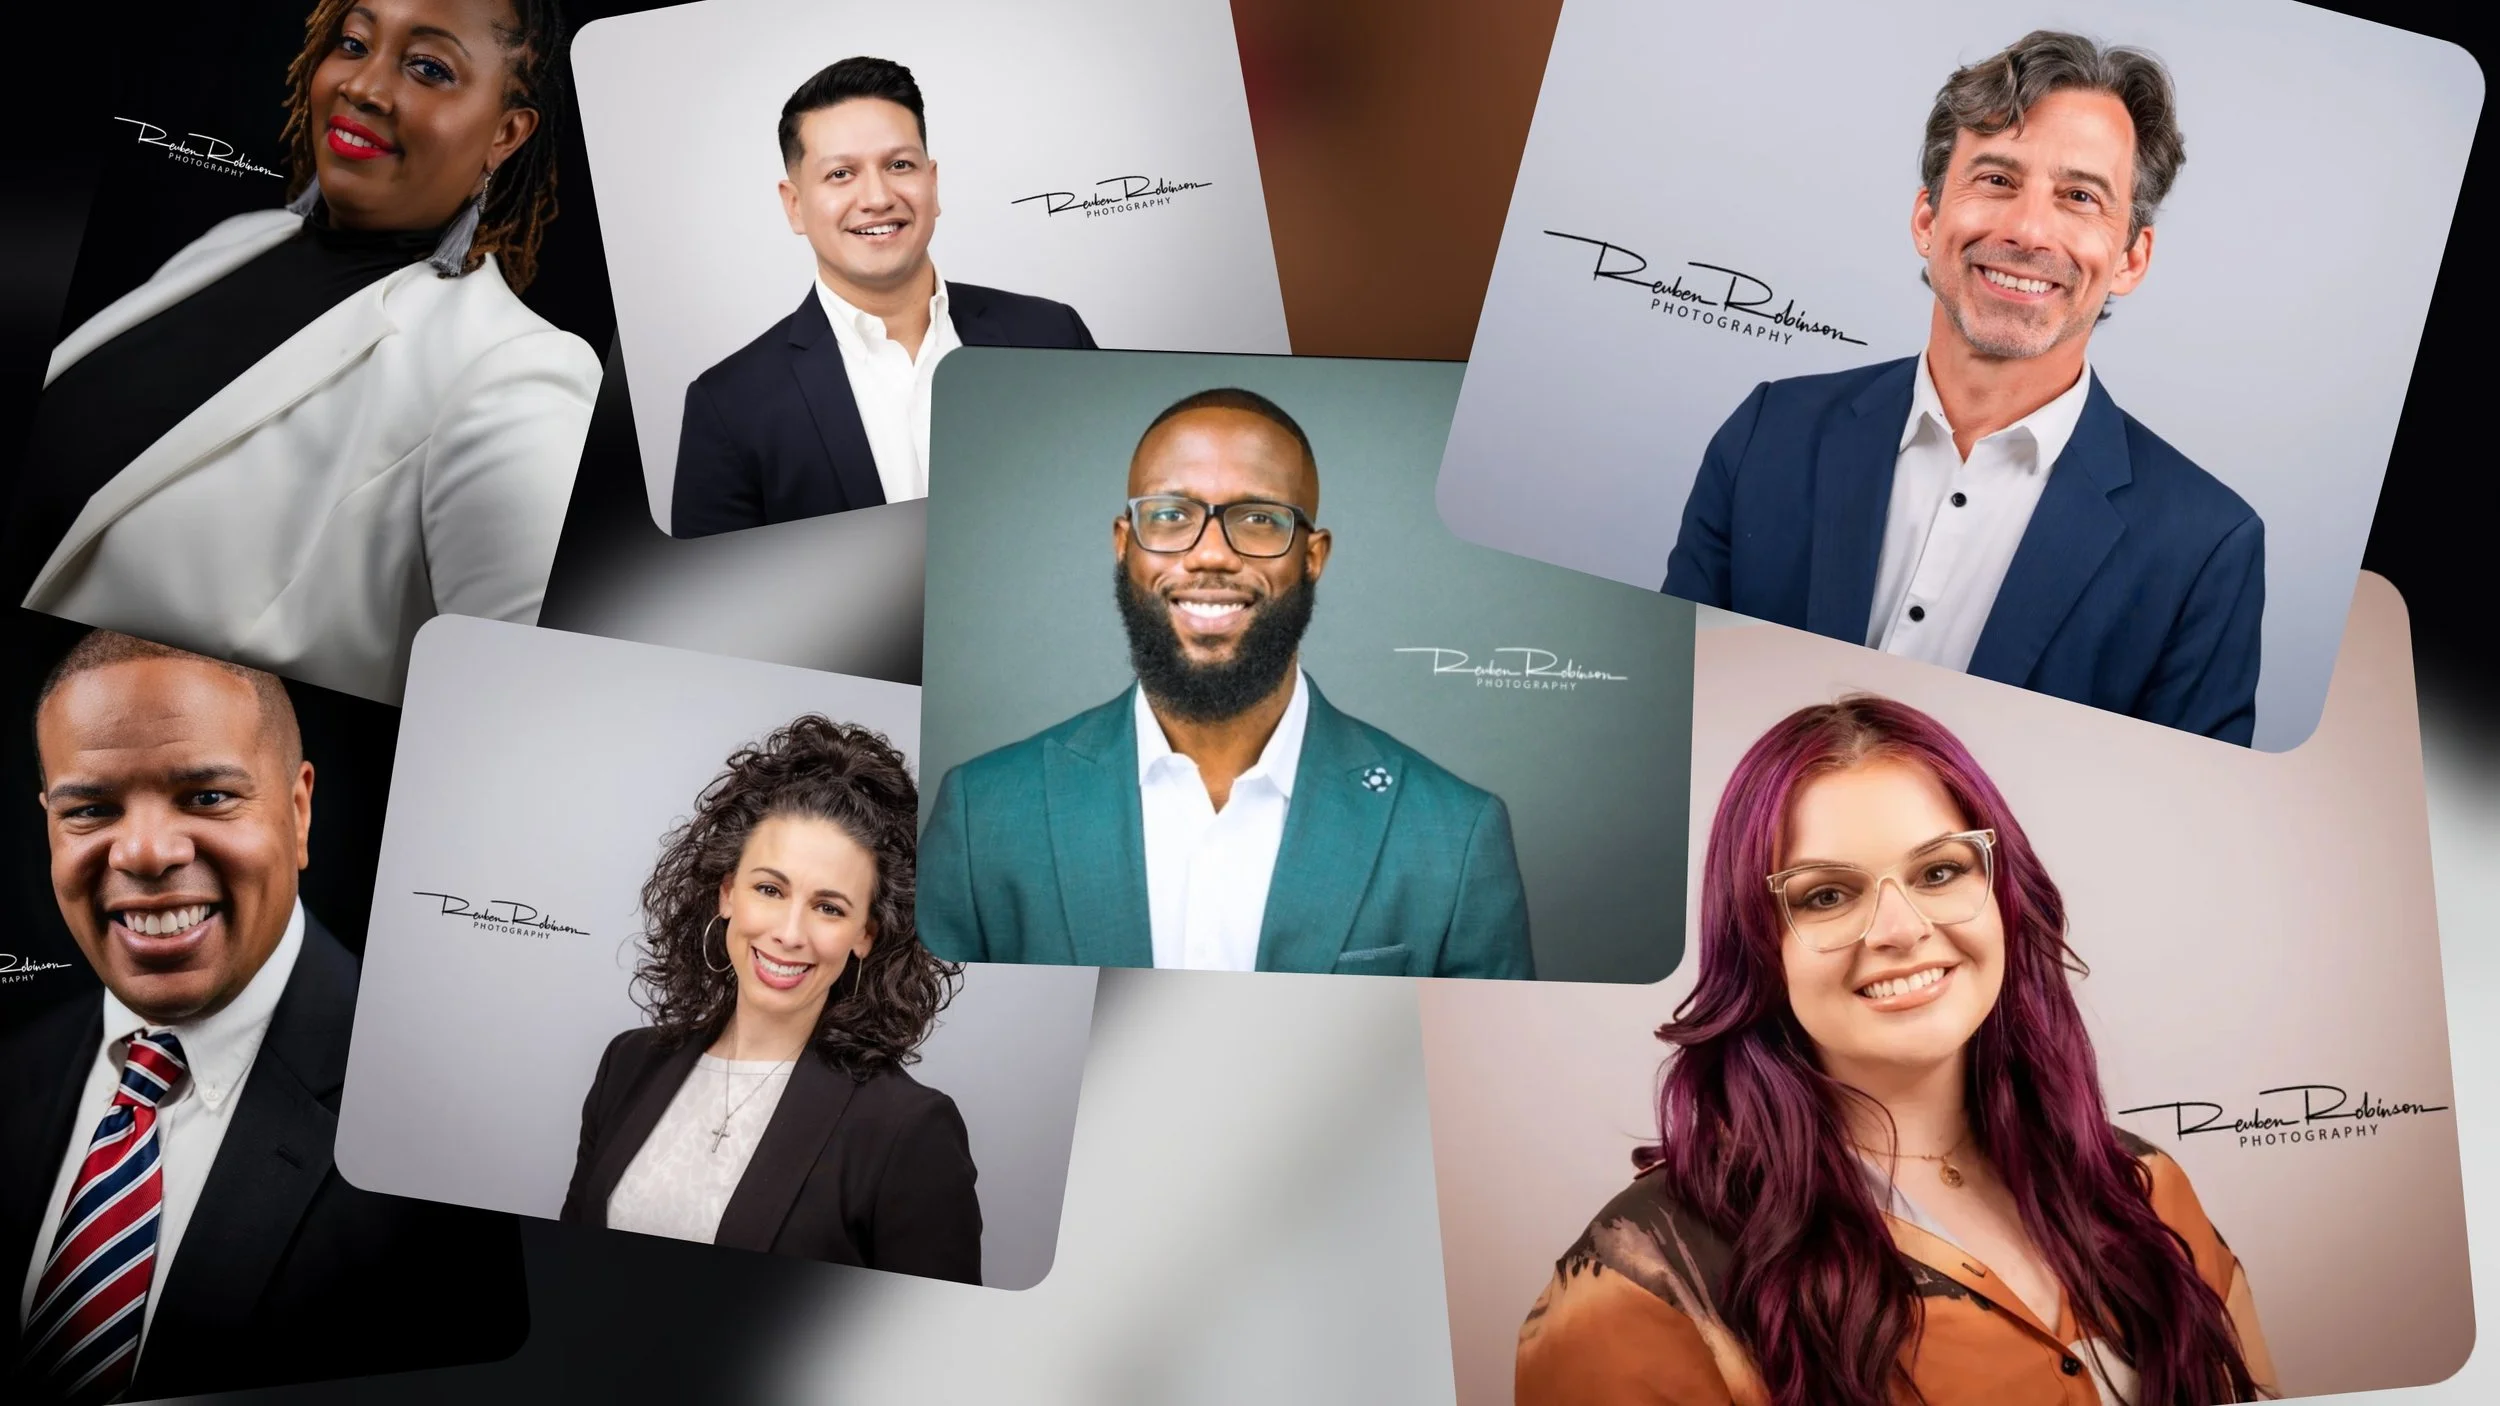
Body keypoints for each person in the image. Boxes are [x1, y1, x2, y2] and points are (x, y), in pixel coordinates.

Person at [1515, 695, 2277, 1405]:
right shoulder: (1643, 1277)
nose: (1901, 928)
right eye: (1827, 895)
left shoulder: (2142, 1186)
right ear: (1756, 945)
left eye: (1939, 871)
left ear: (2006, 894)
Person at [1661, 32, 2264, 745]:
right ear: (1927, 218)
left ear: (2131, 257)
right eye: (1997, 180)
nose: (2028, 230)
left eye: (2078, 196)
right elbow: (1675, 707)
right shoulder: (1768, 432)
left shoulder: (2206, 546)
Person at [7, 0, 599, 706]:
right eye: (353, 44)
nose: (364, 87)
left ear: (506, 131)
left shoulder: (515, 373)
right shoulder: (237, 241)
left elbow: (517, 700)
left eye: (427, 67)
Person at [1, 632, 524, 1403]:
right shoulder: (14, 1075)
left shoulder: (469, 1133)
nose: (144, 853)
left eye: (207, 796)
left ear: (299, 808)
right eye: (92, 808)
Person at [918, 387, 1535, 978]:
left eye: (1259, 519)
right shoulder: (984, 815)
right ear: (1124, 543)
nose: (1211, 553)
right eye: (1169, 514)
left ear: (1312, 555)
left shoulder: (1454, 836)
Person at [560, 716, 981, 1283]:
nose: (789, 932)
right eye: (769, 889)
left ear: (866, 934)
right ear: (727, 892)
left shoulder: (908, 1130)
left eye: (829, 907)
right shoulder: (628, 1064)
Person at [668, 55, 1098, 539]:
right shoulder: (730, 406)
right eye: (840, 174)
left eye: (899, 165)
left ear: (932, 185)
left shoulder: (1052, 336)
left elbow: (1109, 519)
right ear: (795, 205)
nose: (876, 197)